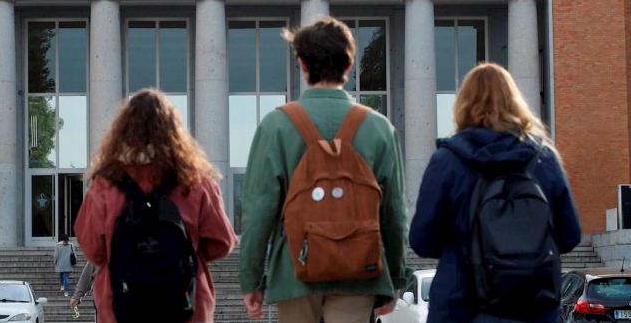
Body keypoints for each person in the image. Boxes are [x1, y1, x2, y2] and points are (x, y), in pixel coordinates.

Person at [238, 16, 408, 323]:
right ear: (349, 65)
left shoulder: (276, 126)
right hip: (361, 270)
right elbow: (393, 212)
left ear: (302, 65)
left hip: (295, 270)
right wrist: (396, 276)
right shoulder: (379, 128)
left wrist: (250, 280)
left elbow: (258, 210)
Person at [409, 62, 582, 323]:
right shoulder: (544, 158)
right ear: (515, 103)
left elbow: (422, 241)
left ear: (464, 104)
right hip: (534, 307)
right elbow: (570, 235)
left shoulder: (447, 161)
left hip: (461, 306)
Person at [74, 88, 237, 323]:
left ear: (123, 132)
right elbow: (221, 242)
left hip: (121, 305)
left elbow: (92, 249)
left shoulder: (105, 185)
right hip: (185, 304)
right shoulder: (195, 180)